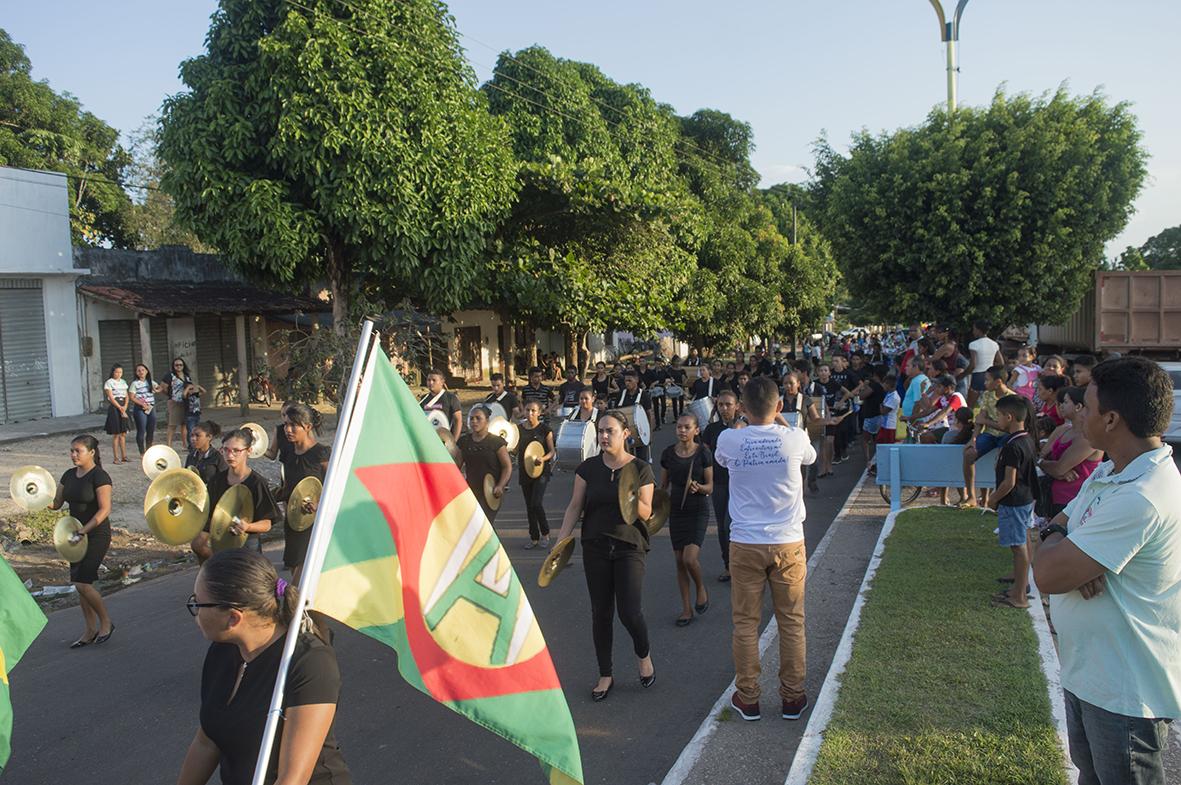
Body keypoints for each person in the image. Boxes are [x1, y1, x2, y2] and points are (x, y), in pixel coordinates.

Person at [1033, 357, 1181, 785]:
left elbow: (1047, 576)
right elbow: (1061, 527)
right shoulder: (1110, 473)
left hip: (1124, 694)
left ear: (1112, 419)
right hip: (1091, 676)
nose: (1078, 411)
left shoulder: (1142, 496)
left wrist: (1064, 544)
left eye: (1087, 406)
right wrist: (1065, 537)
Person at [177, 549, 351, 785]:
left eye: (199, 603)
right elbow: (207, 741)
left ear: (233, 618)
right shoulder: (223, 649)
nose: (195, 610)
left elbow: (292, 778)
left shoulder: (310, 663)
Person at [714, 377, 816, 722]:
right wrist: (783, 423)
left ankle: (749, 697)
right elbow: (810, 457)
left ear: (741, 408)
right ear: (780, 406)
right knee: (792, 622)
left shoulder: (730, 438)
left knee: (745, 623)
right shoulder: (795, 437)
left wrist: (746, 424)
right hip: (788, 542)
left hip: (745, 542)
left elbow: (724, 460)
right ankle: (792, 697)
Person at [556, 411, 656, 701]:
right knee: (600, 612)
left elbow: (647, 512)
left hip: (628, 546)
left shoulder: (640, 468)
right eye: (600, 431)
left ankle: (643, 655)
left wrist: (630, 496)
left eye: (610, 431)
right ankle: (605, 673)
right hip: (595, 546)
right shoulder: (588, 469)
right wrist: (562, 540)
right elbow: (575, 506)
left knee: (629, 611)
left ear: (625, 433)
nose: (603, 436)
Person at [48, 435, 115, 648]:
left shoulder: (100, 476)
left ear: (91, 452)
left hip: (95, 534)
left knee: (83, 582)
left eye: (78, 451)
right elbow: (56, 503)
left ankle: (106, 622)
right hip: (73, 536)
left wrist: (83, 531)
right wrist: (33, 496)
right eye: (71, 451)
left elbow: (105, 510)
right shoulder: (68, 475)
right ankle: (89, 629)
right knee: (80, 585)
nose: (73, 455)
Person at [984, 395, 1038, 610]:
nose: (997, 420)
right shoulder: (1027, 439)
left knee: (1018, 547)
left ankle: (1019, 597)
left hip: (1014, 502)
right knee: (1023, 542)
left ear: (1009, 416)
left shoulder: (1013, 446)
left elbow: (1009, 482)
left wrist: (993, 498)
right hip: (1024, 499)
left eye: (998, 416)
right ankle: (1020, 586)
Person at [660, 414, 714, 625]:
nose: (682, 431)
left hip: (698, 509)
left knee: (689, 558)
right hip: (676, 510)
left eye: (687, 427)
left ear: (696, 430)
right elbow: (663, 488)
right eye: (679, 427)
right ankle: (686, 609)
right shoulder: (668, 454)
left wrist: (699, 487)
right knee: (679, 562)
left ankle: (701, 587)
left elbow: (710, 486)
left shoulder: (703, 453)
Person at [205, 428, 278, 562]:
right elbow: (210, 515)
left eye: (236, 451)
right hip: (222, 544)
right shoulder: (216, 481)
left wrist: (248, 527)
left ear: (248, 451)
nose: (230, 455)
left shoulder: (257, 482)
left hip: (249, 545)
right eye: (225, 450)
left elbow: (267, 523)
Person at [278, 403, 330, 580]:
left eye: (294, 425)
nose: (288, 429)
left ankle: (294, 604)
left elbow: (333, 485)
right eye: (286, 424)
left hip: (315, 522)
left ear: (307, 427)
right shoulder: (287, 453)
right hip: (293, 519)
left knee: (301, 574)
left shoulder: (321, 453)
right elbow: (288, 486)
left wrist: (318, 504)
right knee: (293, 565)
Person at [1038, 387, 1102, 519]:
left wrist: (1049, 466)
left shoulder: (1089, 437)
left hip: (1073, 500)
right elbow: (1041, 457)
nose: (1060, 406)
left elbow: (1059, 468)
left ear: (1078, 406)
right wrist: (1046, 464)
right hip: (1050, 495)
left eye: (1065, 402)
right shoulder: (1062, 429)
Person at [960, 366, 1015, 508]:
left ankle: (998, 499)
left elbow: (1007, 427)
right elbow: (980, 419)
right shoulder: (986, 395)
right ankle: (971, 497)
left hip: (1006, 436)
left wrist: (986, 422)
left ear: (998, 382)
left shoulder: (1012, 398)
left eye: (987, 380)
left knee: (1002, 462)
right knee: (968, 454)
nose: (984, 383)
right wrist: (973, 438)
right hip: (989, 434)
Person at [702, 390, 740, 581]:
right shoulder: (711, 430)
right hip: (719, 483)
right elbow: (705, 457)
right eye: (720, 405)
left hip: (741, 485)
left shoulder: (745, 427)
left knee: (733, 525)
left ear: (737, 406)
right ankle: (728, 566)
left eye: (728, 404)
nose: (724, 409)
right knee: (723, 527)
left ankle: (741, 565)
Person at [457, 405, 512, 524]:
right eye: (471, 418)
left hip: (491, 490)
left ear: (487, 421)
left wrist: (500, 485)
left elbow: (507, 466)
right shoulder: (464, 441)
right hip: (471, 490)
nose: (474, 421)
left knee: (484, 524)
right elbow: (457, 466)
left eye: (478, 418)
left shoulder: (496, 442)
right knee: (473, 526)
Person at [187, 421, 229, 562]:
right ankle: (207, 575)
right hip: (197, 507)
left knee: (198, 545)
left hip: (215, 507)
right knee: (199, 550)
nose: (193, 438)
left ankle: (219, 564)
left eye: (197, 435)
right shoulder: (191, 456)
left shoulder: (218, 457)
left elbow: (226, 481)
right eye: (192, 435)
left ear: (209, 437)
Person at [518, 401, 556, 549]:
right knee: (529, 506)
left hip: (541, 471)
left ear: (539, 412)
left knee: (536, 503)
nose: (530, 413)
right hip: (524, 471)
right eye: (527, 410)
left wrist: (543, 458)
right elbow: (514, 447)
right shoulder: (519, 429)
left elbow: (552, 451)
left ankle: (545, 533)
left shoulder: (545, 429)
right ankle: (534, 537)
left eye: (533, 411)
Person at [158, 357, 194, 449]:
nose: (178, 366)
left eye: (180, 365)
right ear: (173, 366)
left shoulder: (186, 375)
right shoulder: (169, 375)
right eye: (176, 365)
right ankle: (169, 445)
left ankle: (184, 444)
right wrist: (170, 395)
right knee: (172, 424)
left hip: (185, 402)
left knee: (184, 424)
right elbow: (163, 387)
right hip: (174, 402)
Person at [419, 369, 462, 441]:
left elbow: (458, 420)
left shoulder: (450, 398)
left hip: (444, 439)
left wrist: (454, 442)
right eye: (428, 380)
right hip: (428, 439)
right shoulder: (424, 399)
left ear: (442, 382)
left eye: (434, 380)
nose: (430, 382)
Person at [967, 321, 1002, 407]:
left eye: (974, 329)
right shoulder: (994, 344)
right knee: (987, 404)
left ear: (978, 330)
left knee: (971, 405)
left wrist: (962, 375)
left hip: (977, 376)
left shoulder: (973, 344)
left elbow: (973, 365)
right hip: (990, 376)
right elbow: (1001, 362)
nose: (973, 331)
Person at [103, 363, 131, 464]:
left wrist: (125, 406)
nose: (119, 374)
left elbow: (126, 395)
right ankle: (116, 458)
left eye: (120, 372)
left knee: (123, 433)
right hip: (115, 407)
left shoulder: (123, 382)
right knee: (116, 434)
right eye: (117, 372)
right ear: (113, 372)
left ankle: (124, 456)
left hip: (124, 405)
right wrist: (119, 408)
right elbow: (111, 397)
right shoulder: (109, 382)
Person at [129, 363, 157, 456]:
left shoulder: (151, 382)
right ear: (136, 373)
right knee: (141, 430)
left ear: (147, 371)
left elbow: (159, 388)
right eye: (138, 370)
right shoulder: (135, 383)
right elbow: (132, 397)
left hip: (150, 408)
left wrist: (159, 389)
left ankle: (149, 451)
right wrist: (142, 404)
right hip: (140, 409)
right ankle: (142, 452)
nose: (141, 372)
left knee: (151, 430)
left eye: (143, 370)